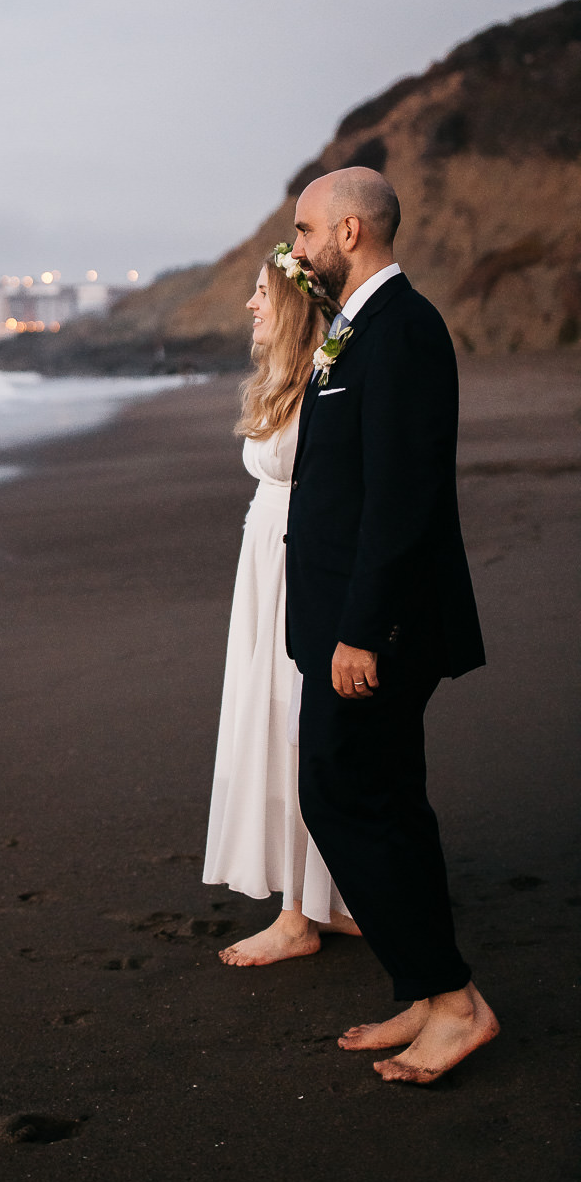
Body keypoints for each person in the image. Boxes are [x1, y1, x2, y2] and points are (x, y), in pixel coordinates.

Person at [287, 165, 500, 1084]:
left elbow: (403, 498)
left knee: (344, 795)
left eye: (302, 232)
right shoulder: (356, 328)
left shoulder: (404, 330)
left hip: (377, 627)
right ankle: (427, 992)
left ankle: (455, 1002)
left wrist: (362, 630)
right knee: (391, 802)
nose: (292, 248)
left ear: (347, 233)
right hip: (349, 615)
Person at [204, 247, 362, 965]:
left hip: (297, 565)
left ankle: (302, 914)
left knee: (292, 724)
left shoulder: (324, 382)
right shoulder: (284, 380)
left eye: (262, 292)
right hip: (265, 562)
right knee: (275, 721)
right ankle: (316, 898)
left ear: (294, 306)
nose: (250, 305)